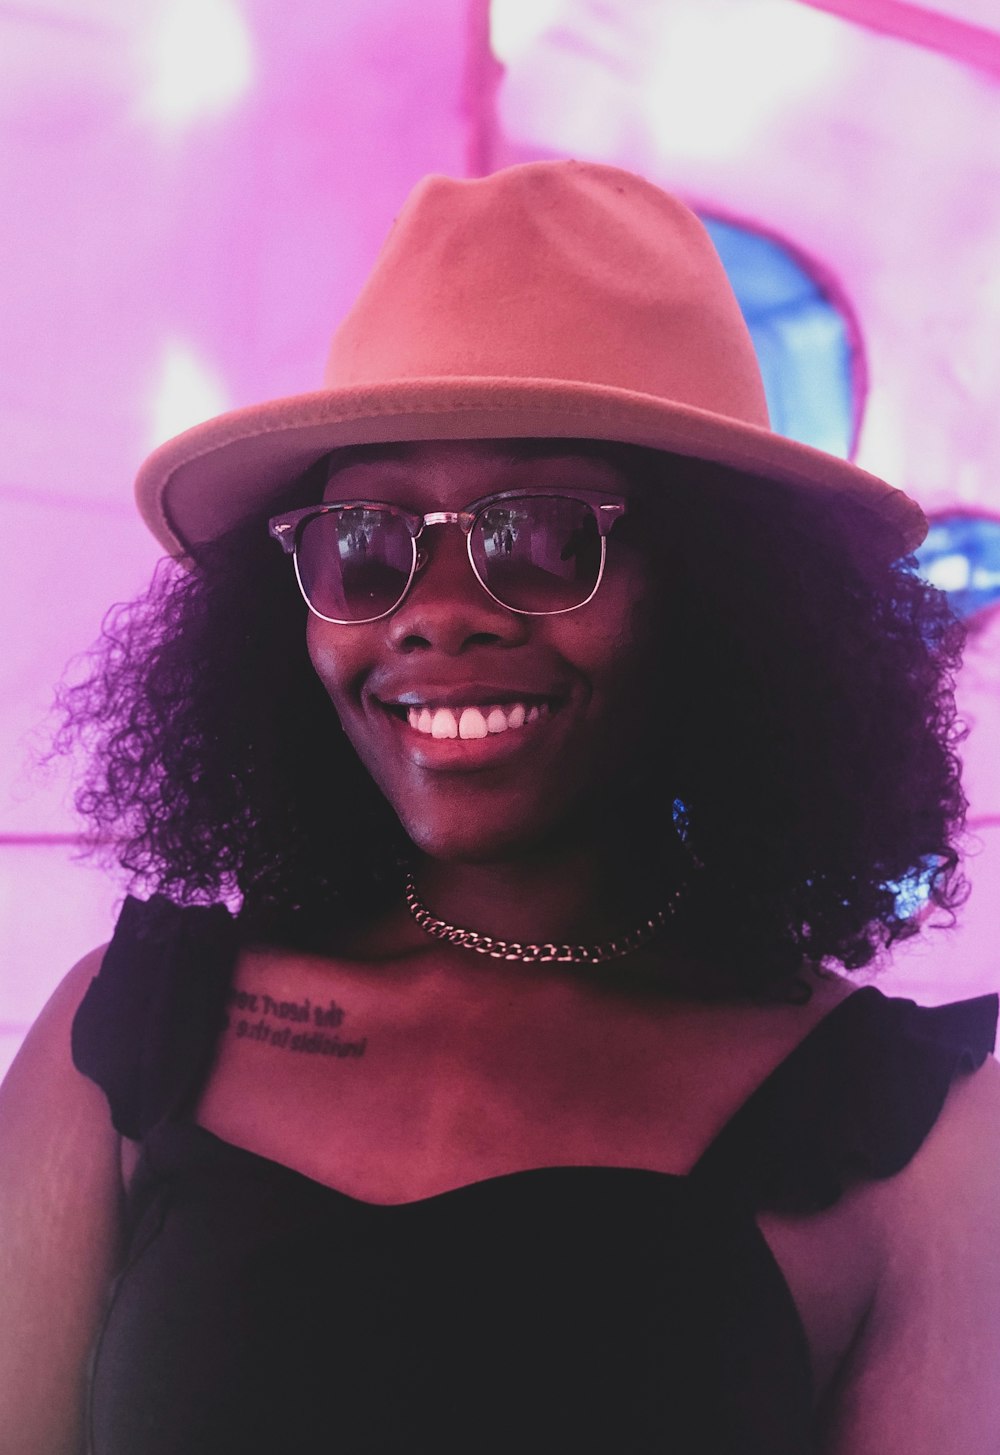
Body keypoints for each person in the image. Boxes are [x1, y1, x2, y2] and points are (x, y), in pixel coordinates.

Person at [1, 160, 997, 1455]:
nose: (438, 605)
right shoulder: (124, 1037)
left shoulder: (913, 1147)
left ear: (722, 596)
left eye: (542, 534)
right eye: (364, 538)